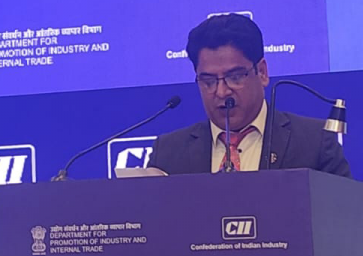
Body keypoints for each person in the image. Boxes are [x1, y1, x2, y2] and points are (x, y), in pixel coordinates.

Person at [147, 13, 351, 176]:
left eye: (235, 77)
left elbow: (343, 212)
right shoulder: (168, 153)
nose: (222, 91)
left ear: (262, 72)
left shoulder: (314, 142)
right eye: (208, 81)